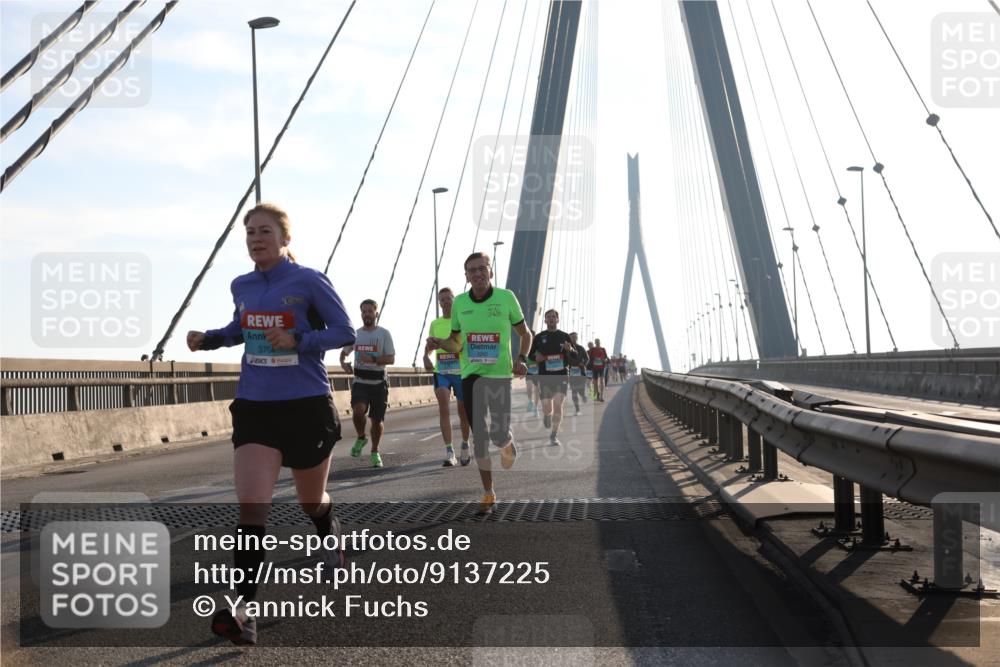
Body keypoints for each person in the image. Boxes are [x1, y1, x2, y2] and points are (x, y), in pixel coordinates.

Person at [187, 202, 356, 646]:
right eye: (249, 233)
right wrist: (211, 339)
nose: (255, 238)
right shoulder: (241, 284)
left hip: (306, 406)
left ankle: (328, 528)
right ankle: (243, 612)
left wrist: (299, 339)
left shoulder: (308, 281)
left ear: (285, 239)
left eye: (264, 231)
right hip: (256, 405)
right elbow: (241, 327)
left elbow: (344, 332)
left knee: (311, 501)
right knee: (252, 506)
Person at [426, 252, 531, 515]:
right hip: (470, 375)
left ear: (490, 272)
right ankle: (488, 493)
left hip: (499, 375)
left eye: (481, 269)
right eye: (471, 271)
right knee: (480, 437)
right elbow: (456, 342)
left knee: (497, 434)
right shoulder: (460, 303)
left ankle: (506, 442)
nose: (477, 274)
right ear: (466, 277)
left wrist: (521, 358)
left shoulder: (506, 298)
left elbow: (525, 333)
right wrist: (440, 344)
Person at [340, 300, 395, 468]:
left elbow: (391, 359)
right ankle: (361, 437)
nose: (367, 314)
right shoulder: (356, 334)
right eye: (364, 312)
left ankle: (375, 451)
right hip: (360, 382)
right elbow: (344, 353)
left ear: (376, 313)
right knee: (358, 411)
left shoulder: (384, 334)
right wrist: (343, 362)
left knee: (376, 421)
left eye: (370, 311)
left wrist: (372, 359)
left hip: (379, 383)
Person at [423, 287, 471, 467]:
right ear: (439, 303)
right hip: (441, 371)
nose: (445, 302)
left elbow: (464, 345)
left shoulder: (462, 321)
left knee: (463, 413)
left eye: (448, 299)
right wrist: (425, 357)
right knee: (444, 407)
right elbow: (429, 346)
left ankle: (465, 444)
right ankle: (449, 451)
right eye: (442, 300)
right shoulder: (435, 323)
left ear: (454, 300)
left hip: (461, 372)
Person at [528, 309, 577, 446]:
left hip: (561, 374)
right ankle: (546, 415)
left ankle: (554, 434)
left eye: (553, 317)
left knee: (558, 404)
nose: (551, 319)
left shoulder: (564, 336)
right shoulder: (539, 337)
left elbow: (575, 355)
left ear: (557, 319)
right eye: (548, 317)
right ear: (545, 320)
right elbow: (530, 354)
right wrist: (535, 357)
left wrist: (570, 350)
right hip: (544, 374)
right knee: (546, 406)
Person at [567, 332, 589, 415]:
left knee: (581, 390)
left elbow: (587, 358)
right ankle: (577, 410)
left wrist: (583, 364)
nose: (574, 339)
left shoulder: (581, 348)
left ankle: (583, 395)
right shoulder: (566, 349)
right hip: (571, 372)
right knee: (574, 392)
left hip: (581, 372)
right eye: (572, 337)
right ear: (569, 338)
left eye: (576, 337)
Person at [524, 333, 540, 417]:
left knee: (537, 390)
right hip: (529, 371)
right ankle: (530, 401)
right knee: (529, 388)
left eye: (532, 337)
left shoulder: (539, 346)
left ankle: (536, 408)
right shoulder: (526, 347)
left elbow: (541, 358)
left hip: (537, 371)